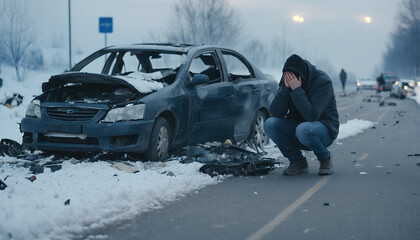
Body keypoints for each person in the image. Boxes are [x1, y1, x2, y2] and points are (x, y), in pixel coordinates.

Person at [264, 54, 339, 175]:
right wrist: (285, 90)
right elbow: (275, 113)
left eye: (291, 77)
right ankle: (297, 161)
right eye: (286, 76)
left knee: (303, 129)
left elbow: (312, 115)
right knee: (270, 124)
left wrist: (297, 90)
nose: (288, 79)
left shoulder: (322, 81)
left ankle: (325, 158)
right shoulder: (286, 81)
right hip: (299, 128)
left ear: (301, 77)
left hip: (324, 128)